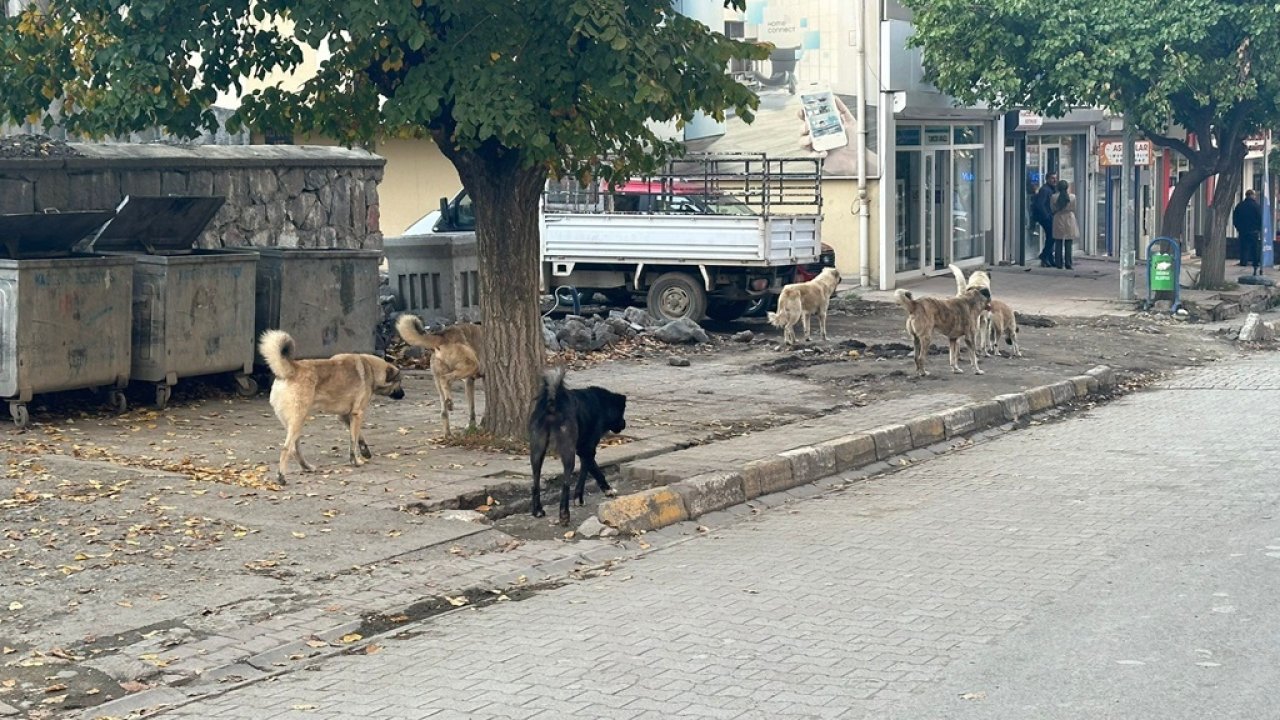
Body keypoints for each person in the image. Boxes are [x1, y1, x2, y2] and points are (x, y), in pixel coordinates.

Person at [1051, 179, 1079, 270]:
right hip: (1069, 219)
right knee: (1068, 242)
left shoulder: (1054, 197)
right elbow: (1074, 208)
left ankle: (1058, 263)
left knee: (1058, 242)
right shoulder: (1073, 197)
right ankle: (1068, 263)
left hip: (1058, 218)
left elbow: (1052, 209)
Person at [1232, 189, 1263, 271]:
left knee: (1243, 247)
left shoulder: (1240, 205)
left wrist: (1238, 228)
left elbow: (1235, 218)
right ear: (1252, 195)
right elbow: (1260, 218)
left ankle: (1243, 262)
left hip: (1243, 231)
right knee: (1255, 247)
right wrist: (1259, 228)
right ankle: (1255, 263)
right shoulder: (1256, 206)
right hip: (1254, 231)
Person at [1032, 173, 1058, 267]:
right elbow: (1040, 204)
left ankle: (1049, 258)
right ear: (1047, 179)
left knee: (1050, 237)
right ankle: (1044, 255)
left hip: (1048, 216)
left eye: (1055, 178)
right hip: (1044, 217)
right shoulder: (1045, 190)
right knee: (1052, 236)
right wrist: (1046, 216)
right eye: (1052, 178)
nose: (1054, 180)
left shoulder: (1051, 189)